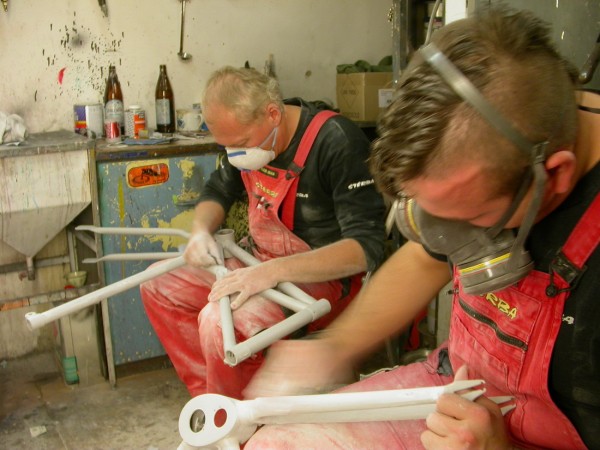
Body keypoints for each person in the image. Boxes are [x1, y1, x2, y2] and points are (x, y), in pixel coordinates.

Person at [244, 6, 600, 450]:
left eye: (469, 221)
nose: (447, 233)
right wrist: (334, 347)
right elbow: (426, 256)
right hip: (455, 391)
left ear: (556, 175)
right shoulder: (483, 160)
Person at [140, 66, 387, 399]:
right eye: (226, 147)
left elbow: (365, 248)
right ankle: (215, 401)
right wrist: (201, 230)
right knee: (159, 284)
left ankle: (245, 427)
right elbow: (218, 189)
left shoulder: (336, 142)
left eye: (240, 144)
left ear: (273, 114)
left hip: (322, 279)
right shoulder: (246, 137)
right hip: (258, 261)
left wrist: (273, 272)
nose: (235, 155)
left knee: (218, 323)